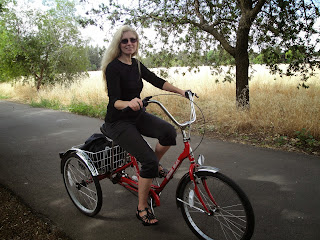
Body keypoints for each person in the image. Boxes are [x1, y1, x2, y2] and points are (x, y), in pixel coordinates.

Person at [101, 25, 186, 226]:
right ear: (119, 44)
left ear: (137, 42)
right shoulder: (113, 67)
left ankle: (152, 166)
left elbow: (157, 80)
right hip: (118, 121)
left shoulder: (136, 65)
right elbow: (114, 100)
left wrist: (181, 91)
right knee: (147, 161)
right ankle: (141, 207)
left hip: (137, 115)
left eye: (133, 40)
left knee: (168, 132)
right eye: (125, 41)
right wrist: (128, 102)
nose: (130, 43)